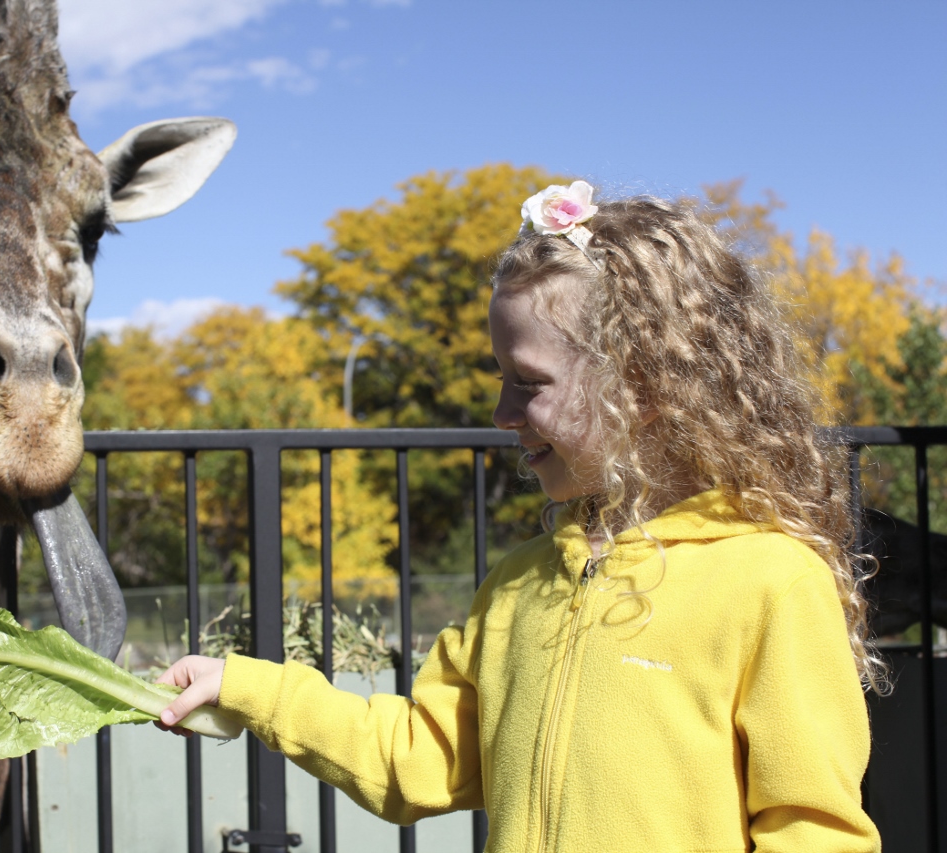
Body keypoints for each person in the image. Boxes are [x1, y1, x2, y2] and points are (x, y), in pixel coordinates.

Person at [157, 181, 883, 852]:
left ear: (647, 383)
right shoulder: (515, 585)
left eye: (528, 383)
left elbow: (814, 829)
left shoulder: (770, 582)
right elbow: (416, 756)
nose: (502, 413)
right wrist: (246, 688)